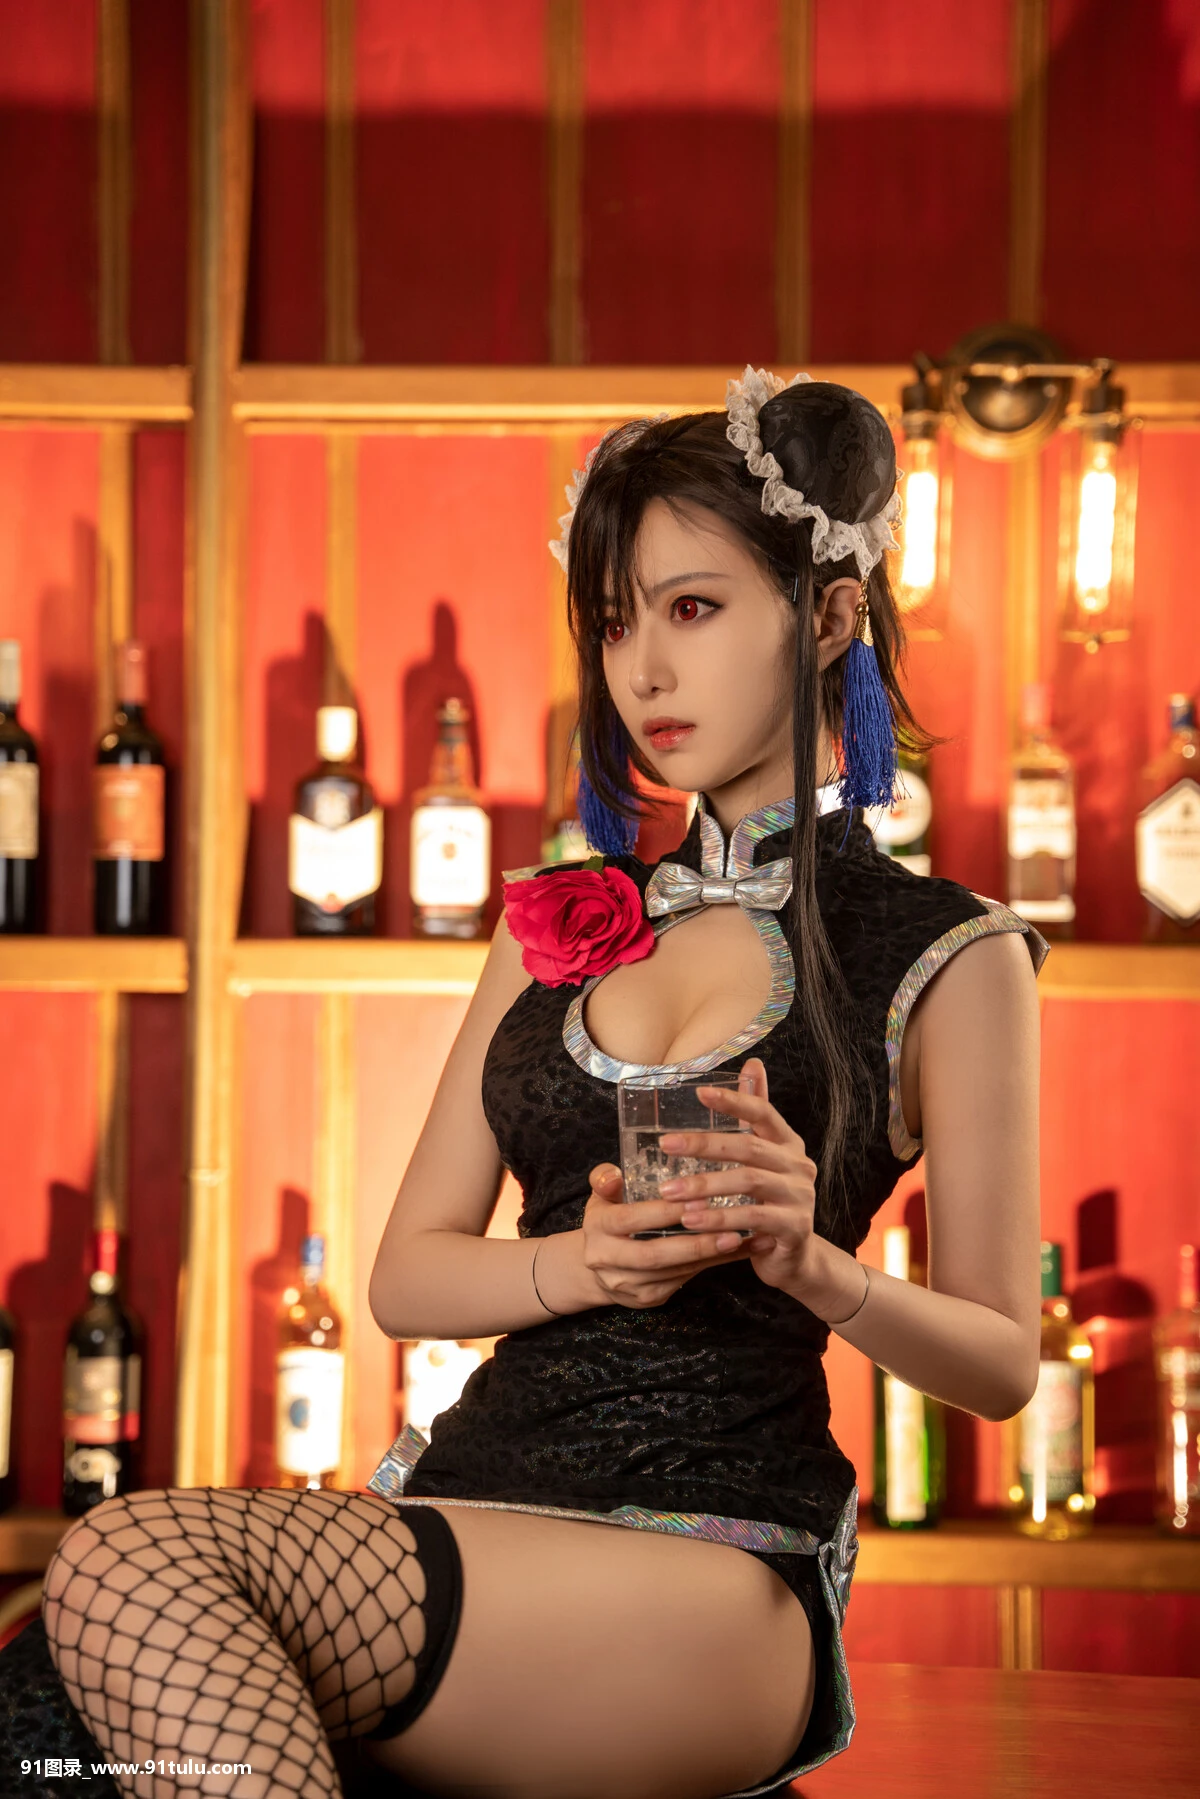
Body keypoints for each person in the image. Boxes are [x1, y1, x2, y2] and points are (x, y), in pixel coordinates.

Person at [0, 367, 1048, 1799]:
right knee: (44, 1709)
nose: (643, 671)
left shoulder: (951, 952)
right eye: (614, 623)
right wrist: (585, 1266)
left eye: (691, 608)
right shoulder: (556, 922)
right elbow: (408, 1279)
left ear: (828, 616)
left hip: (715, 1559)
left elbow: (1001, 1364)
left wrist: (818, 1267)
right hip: (477, 1505)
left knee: (129, 1553)